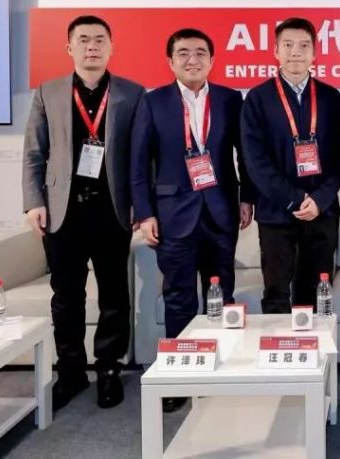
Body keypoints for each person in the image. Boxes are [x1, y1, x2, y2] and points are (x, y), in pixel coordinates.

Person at [23, 15, 145, 411]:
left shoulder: (132, 93)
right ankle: (71, 370)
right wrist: (33, 201)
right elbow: (34, 152)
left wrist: (141, 205)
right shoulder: (49, 92)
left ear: (111, 47)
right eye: (83, 40)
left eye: (99, 40)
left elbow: (143, 157)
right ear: (69, 47)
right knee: (66, 296)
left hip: (112, 210)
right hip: (63, 212)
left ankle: (108, 369)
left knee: (114, 294)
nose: (92, 46)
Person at [130, 28, 255, 413]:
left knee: (223, 296)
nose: (192, 59)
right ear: (170, 61)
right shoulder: (153, 102)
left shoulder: (230, 99)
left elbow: (244, 154)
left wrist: (247, 197)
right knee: (179, 297)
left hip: (220, 210)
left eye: (200, 52)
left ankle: (224, 368)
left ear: (212, 60)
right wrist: (145, 213)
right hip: (172, 215)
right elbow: (138, 165)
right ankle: (180, 375)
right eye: (183, 53)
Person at [241, 17, 340, 314]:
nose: (296, 52)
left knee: (317, 294)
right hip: (276, 212)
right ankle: (278, 345)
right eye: (288, 45)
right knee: (276, 293)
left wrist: (320, 199)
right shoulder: (258, 98)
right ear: (276, 51)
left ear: (315, 53)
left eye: (304, 46)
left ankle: (316, 346)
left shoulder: (330, 98)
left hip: (321, 212)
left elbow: (339, 156)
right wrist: (294, 198)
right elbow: (255, 161)